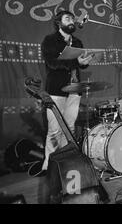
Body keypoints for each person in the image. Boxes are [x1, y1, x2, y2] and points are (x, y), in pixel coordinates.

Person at [40, 10, 93, 171]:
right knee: (55, 130)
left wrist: (84, 62)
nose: (71, 20)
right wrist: (75, 62)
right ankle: (48, 167)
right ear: (59, 23)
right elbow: (52, 64)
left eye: (72, 18)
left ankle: (63, 163)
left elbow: (80, 64)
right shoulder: (50, 40)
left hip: (74, 90)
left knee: (69, 128)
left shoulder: (77, 41)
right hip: (57, 90)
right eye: (67, 18)